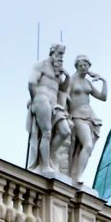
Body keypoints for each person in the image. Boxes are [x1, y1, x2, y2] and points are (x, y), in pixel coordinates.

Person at [63, 56, 107, 184]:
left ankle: (77, 174)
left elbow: (103, 97)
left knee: (87, 148)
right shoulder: (71, 80)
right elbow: (64, 96)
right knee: (87, 145)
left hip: (91, 117)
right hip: (77, 116)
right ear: (76, 66)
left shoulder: (87, 82)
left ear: (89, 66)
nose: (83, 68)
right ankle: (78, 176)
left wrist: (103, 80)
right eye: (80, 65)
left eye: (85, 65)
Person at [26, 45, 68, 175]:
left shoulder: (57, 70)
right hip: (42, 99)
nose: (60, 57)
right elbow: (31, 83)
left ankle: (47, 156)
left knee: (65, 131)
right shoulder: (41, 65)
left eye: (62, 55)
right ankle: (44, 166)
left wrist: (67, 76)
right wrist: (35, 100)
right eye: (59, 54)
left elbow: (63, 89)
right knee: (47, 132)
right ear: (52, 52)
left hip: (54, 104)